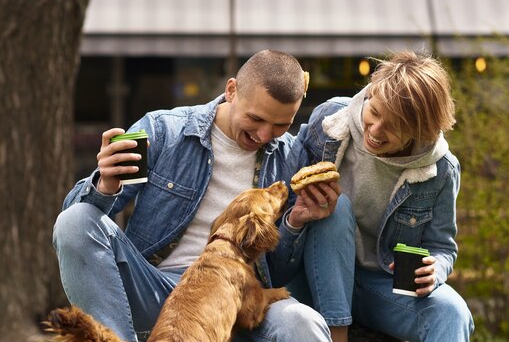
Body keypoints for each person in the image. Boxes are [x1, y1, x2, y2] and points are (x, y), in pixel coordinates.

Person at [53, 50, 340, 342]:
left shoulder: (290, 157)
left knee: (304, 323)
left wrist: (295, 222)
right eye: (256, 118)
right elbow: (75, 224)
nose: (265, 134)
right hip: (159, 290)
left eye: (281, 125)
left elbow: (277, 272)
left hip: (240, 296)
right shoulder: (164, 129)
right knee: (75, 221)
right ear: (231, 91)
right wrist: (105, 186)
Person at [289, 50, 474, 341]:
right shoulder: (328, 120)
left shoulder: (441, 169)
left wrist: (436, 269)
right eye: (374, 113)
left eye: (393, 127)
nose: (374, 130)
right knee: (335, 207)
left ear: (419, 130)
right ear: (370, 92)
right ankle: (337, 333)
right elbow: (285, 203)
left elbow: (443, 247)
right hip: (315, 276)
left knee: (453, 312)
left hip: (381, 285)